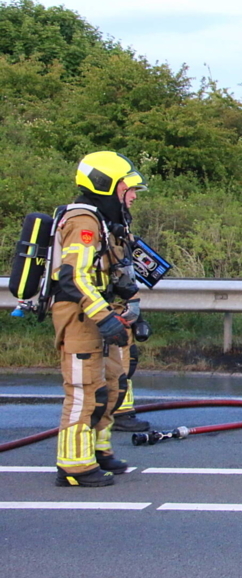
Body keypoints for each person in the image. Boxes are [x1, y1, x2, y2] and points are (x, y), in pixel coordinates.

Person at [53, 151, 147, 487]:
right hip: (80, 317)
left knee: (111, 384)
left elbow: (115, 273)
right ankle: (75, 467)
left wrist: (129, 308)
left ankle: (99, 451)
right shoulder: (84, 222)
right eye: (129, 188)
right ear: (107, 185)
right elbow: (73, 277)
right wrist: (103, 317)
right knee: (84, 390)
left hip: (98, 313)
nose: (134, 195)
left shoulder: (104, 222)